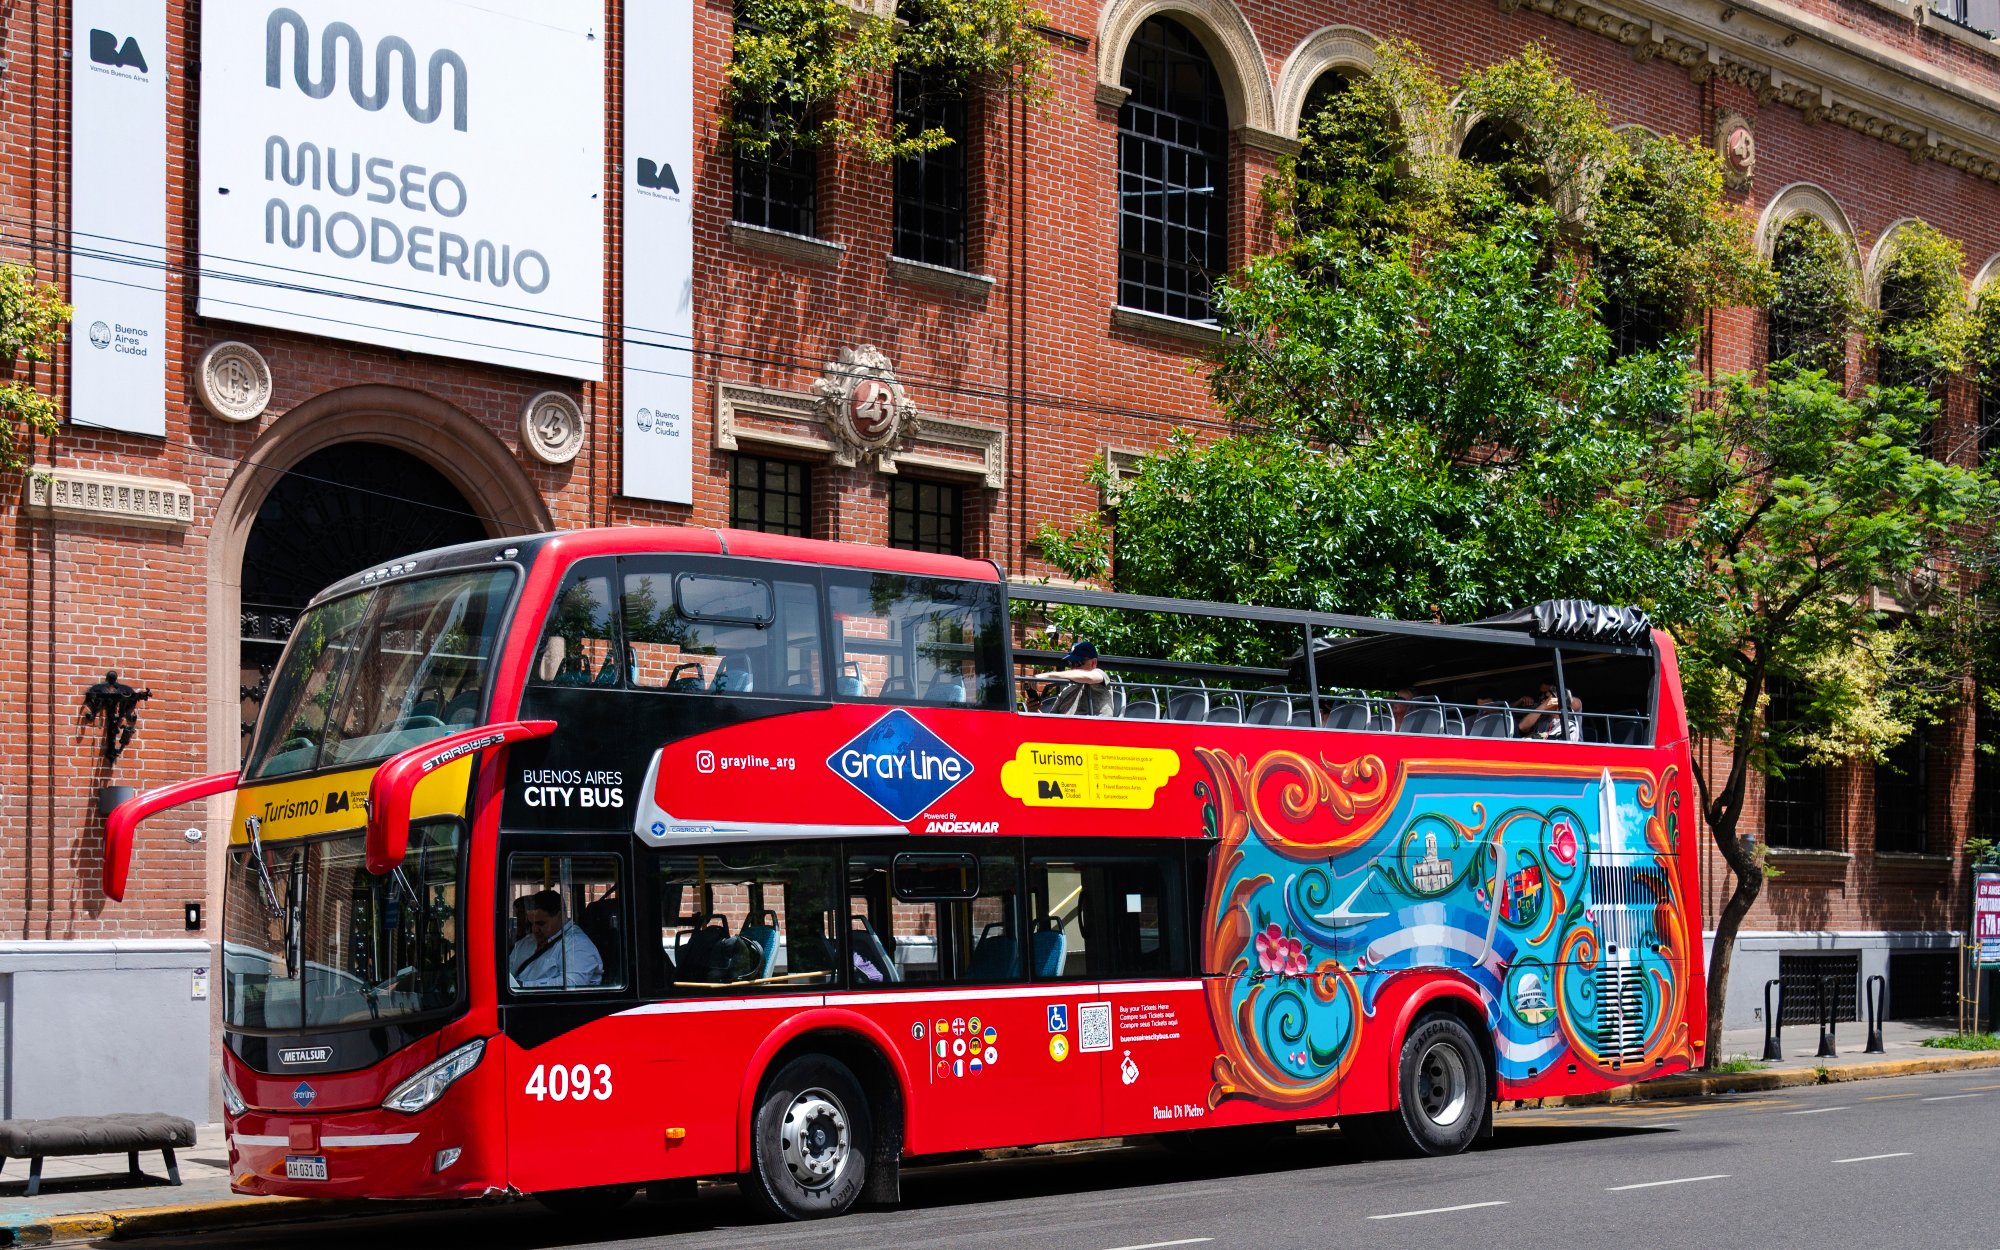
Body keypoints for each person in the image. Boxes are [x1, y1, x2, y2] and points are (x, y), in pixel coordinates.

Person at [509, 889, 604, 989]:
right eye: (531, 923)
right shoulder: (526, 942)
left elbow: (573, 983)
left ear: (560, 916)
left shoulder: (577, 944)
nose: (534, 930)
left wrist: (523, 986)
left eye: (541, 923)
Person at [1040, 639, 1113, 716]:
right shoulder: (1067, 690)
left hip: (1093, 724)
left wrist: (1047, 675)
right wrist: (1035, 710)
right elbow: (1052, 719)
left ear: (1093, 663)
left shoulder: (1100, 676)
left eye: (1078, 663)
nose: (1073, 668)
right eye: (1071, 663)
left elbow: (1091, 677)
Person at [1516, 681, 1583, 741]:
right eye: (1540, 694)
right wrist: (1543, 706)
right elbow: (1522, 726)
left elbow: (1573, 702)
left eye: (1546, 694)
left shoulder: (1568, 723)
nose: (1542, 698)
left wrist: (1557, 697)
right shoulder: (1541, 716)